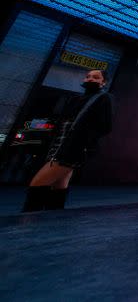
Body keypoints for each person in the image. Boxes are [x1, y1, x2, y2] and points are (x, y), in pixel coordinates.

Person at [22, 69, 113, 212]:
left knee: (37, 184)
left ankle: (27, 220)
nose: (90, 79)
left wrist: (84, 142)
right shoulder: (77, 99)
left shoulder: (104, 98)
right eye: (88, 76)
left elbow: (105, 126)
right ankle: (55, 218)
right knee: (59, 185)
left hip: (71, 150)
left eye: (96, 77)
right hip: (59, 146)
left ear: (103, 82)